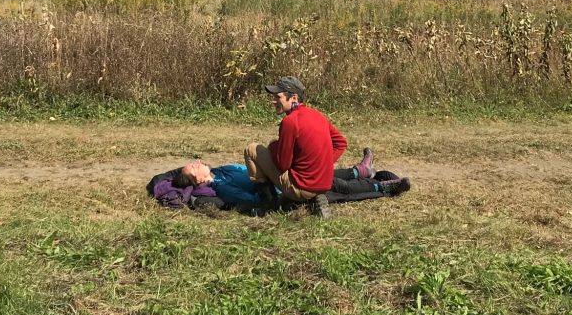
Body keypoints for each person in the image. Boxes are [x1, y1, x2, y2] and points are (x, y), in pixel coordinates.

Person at [245, 75, 372, 218]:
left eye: (277, 97)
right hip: (324, 184)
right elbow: (340, 143)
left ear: (293, 97)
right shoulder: (318, 115)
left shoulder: (290, 122)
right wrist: (321, 164)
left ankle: (269, 205)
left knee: (251, 149)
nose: (273, 101)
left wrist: (274, 147)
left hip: (302, 187)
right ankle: (312, 197)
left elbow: (283, 165)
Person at [147, 156, 409, 213]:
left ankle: (364, 173)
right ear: (199, 179)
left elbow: (246, 168)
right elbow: (252, 199)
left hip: (279, 177)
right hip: (278, 190)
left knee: (315, 170)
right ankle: (381, 187)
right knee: (333, 186)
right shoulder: (220, 188)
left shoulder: (221, 170)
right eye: (193, 166)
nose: (197, 161)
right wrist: (265, 180)